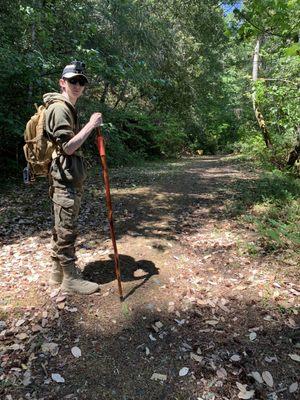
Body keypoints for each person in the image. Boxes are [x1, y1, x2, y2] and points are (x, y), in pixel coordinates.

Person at [44, 61, 102, 294]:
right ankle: (70, 279)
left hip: (68, 177)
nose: (77, 85)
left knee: (61, 227)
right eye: (73, 81)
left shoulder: (66, 106)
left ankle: (56, 274)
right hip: (65, 178)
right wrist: (90, 125)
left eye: (81, 82)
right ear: (62, 82)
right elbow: (68, 147)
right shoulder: (59, 108)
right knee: (66, 228)